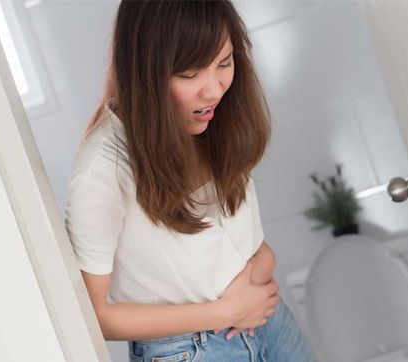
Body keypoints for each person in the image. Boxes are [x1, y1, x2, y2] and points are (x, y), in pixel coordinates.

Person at [63, 1, 317, 361]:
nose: (213, 90)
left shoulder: (214, 122)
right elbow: (94, 314)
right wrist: (225, 311)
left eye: (224, 63)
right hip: (189, 349)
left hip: (265, 316)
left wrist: (260, 269)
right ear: (145, 72)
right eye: (190, 73)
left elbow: (249, 248)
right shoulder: (104, 168)